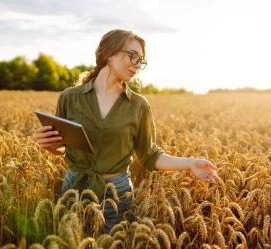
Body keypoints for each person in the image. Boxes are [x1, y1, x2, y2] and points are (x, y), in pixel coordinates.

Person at [35, 29, 218, 233]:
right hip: (74, 187)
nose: (138, 65)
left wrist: (190, 163)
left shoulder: (139, 106)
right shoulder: (69, 97)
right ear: (109, 54)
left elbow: (149, 155)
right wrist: (50, 145)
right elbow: (63, 148)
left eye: (141, 61)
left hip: (116, 193)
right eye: (133, 56)